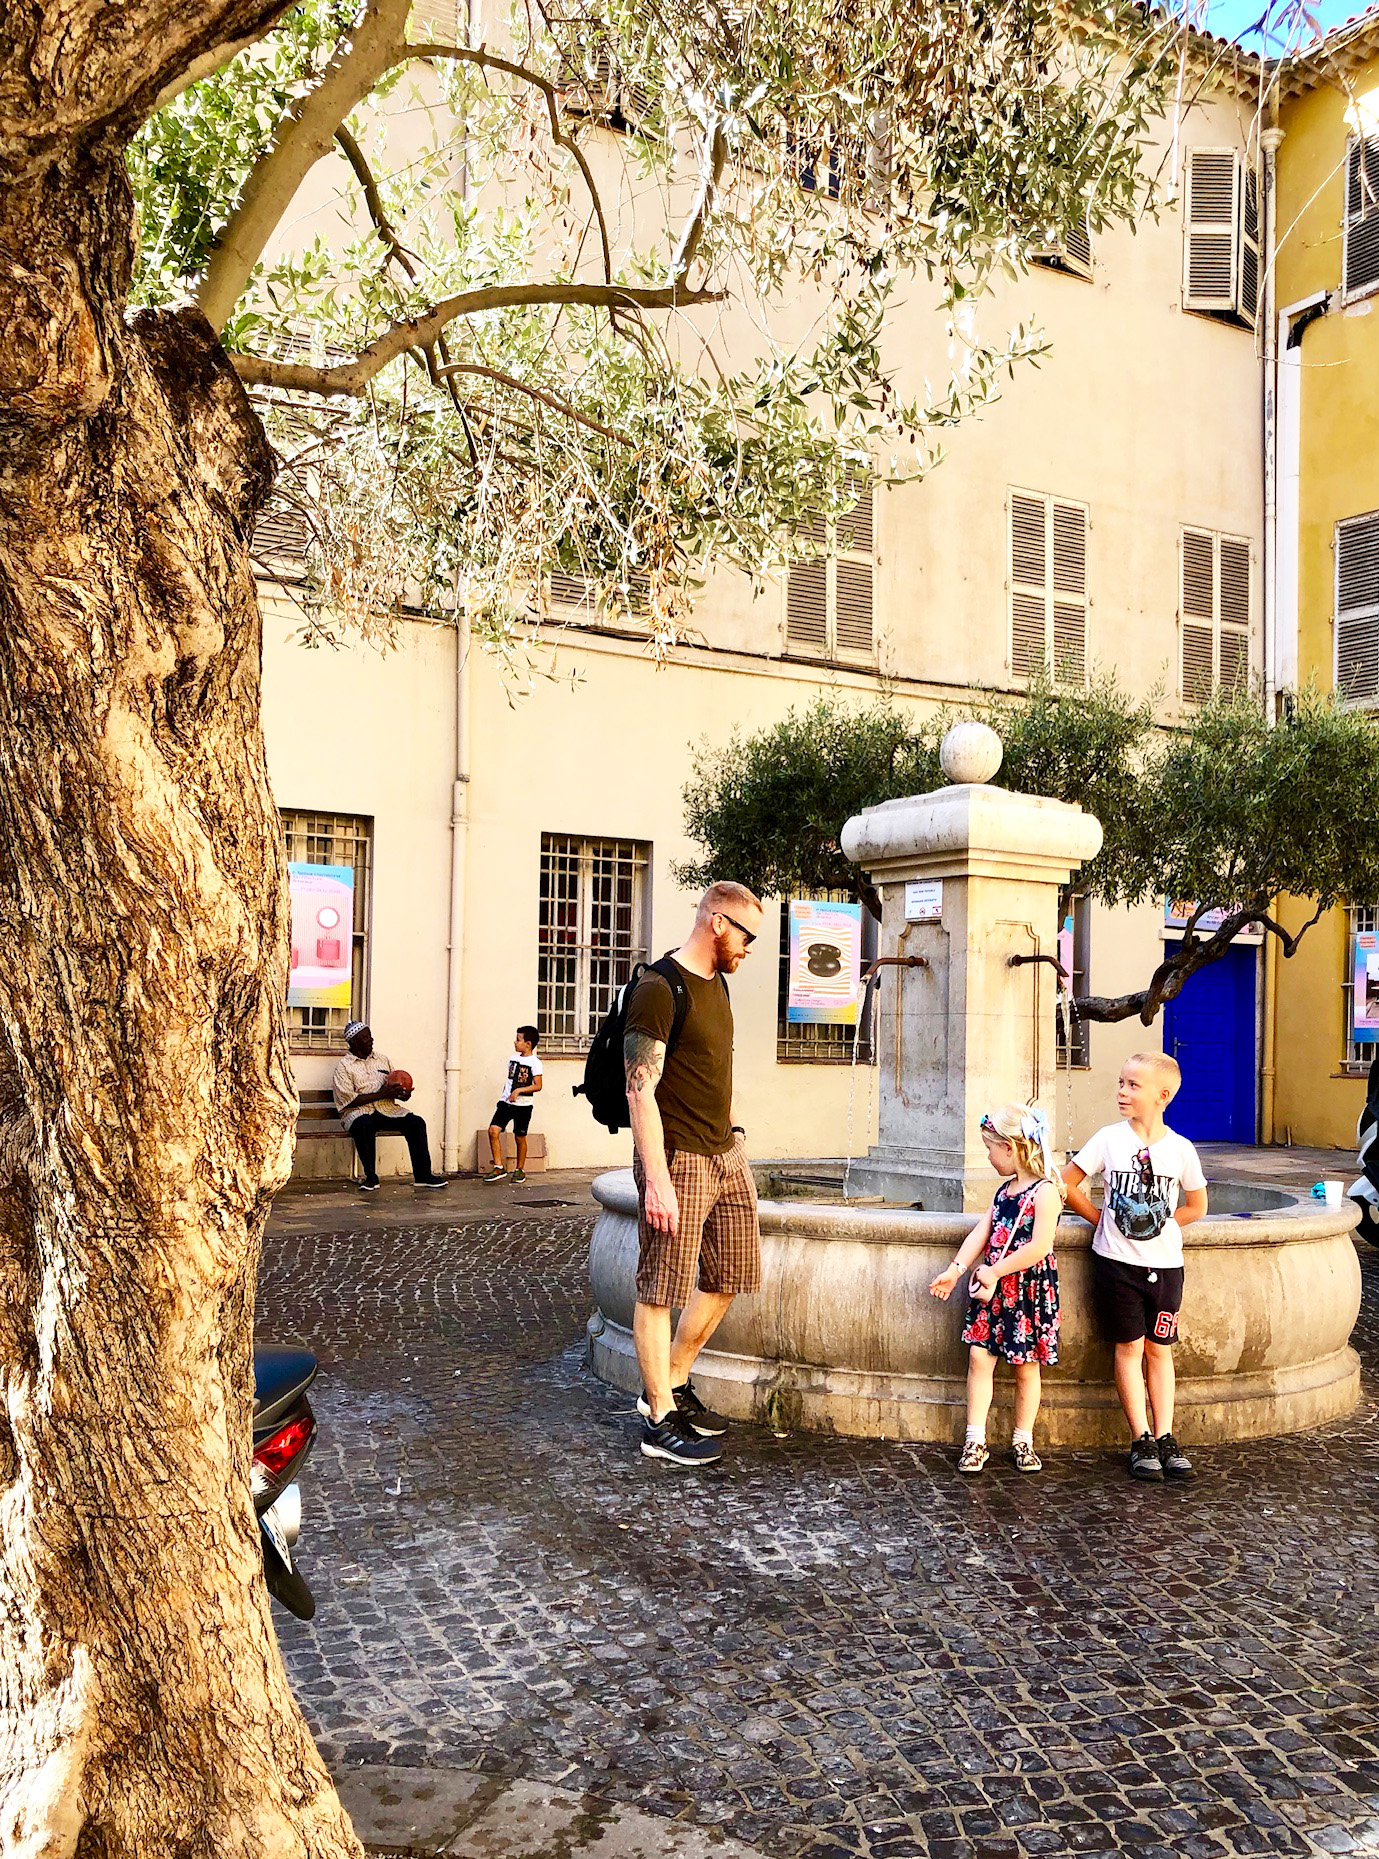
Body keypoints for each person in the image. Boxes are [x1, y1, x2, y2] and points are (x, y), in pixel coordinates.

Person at [624, 881, 765, 1466]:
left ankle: (675, 1380)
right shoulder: (658, 989)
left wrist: (735, 1134)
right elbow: (640, 1091)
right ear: (718, 922)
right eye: (748, 936)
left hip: (724, 1152)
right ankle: (658, 1418)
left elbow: (711, 1068)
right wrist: (657, 1179)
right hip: (678, 1157)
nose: (750, 949)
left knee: (732, 1272)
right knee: (661, 1287)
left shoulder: (719, 984)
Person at [1062, 1051, 1208, 1482]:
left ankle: (1166, 1436)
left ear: (1163, 1096)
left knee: (1160, 1349)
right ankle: (1140, 1439)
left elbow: (1197, 1205)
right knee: (1128, 1347)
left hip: (1166, 1266)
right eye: (1121, 1083)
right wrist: (1100, 1218)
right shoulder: (1108, 1139)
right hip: (1117, 1264)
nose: (1122, 1092)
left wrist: (1163, 1223)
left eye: (1133, 1085)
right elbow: (1066, 1183)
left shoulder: (1180, 1149)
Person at [928, 1104, 1063, 1474]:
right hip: (995, 1290)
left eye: (990, 1149)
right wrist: (956, 1270)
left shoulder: (1045, 1192)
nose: (988, 1157)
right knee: (979, 1358)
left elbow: (1040, 1247)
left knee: (1026, 1367)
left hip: (1027, 1290)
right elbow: (981, 1232)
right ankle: (975, 1438)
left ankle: (1023, 1439)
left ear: (1010, 1147)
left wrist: (994, 1271)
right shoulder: (1004, 1192)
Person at [331, 1021, 448, 1191]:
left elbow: (394, 1084)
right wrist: (382, 1094)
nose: (371, 1040)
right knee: (364, 1125)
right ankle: (371, 1178)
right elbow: (348, 1100)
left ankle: (423, 1176)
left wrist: (403, 1094)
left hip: (387, 1110)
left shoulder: (382, 1060)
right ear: (354, 1042)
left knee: (416, 1123)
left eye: (370, 1036)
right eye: (366, 1038)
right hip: (358, 1112)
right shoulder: (344, 1067)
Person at [481, 1025, 543, 1183]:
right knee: (493, 1130)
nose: (515, 1042)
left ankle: (519, 1169)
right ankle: (498, 1166)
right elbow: (509, 1080)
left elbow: (538, 1085)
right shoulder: (513, 1059)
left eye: (518, 1039)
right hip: (506, 1103)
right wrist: (505, 1095)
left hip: (523, 1106)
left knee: (520, 1137)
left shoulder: (535, 1062)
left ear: (528, 1044)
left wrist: (519, 1091)